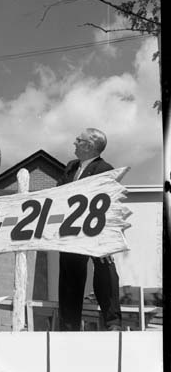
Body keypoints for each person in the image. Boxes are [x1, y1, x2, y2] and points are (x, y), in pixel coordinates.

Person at [57, 128, 122, 331]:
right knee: (70, 275)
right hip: (71, 231)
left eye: (79, 140)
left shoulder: (105, 169)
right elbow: (58, 192)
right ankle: (69, 327)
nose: (74, 143)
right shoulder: (71, 167)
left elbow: (109, 200)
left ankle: (113, 321)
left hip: (96, 229)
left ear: (89, 146)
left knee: (104, 268)